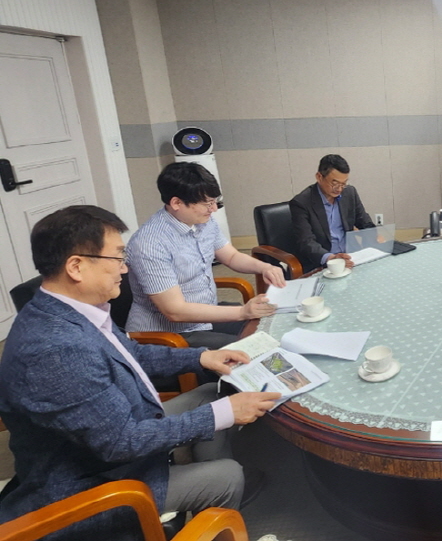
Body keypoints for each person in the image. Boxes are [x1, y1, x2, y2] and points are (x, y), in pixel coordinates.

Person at [0, 205, 281, 539]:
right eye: (117, 257)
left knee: (211, 393)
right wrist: (224, 414)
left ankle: (198, 486)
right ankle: (210, 507)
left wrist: (203, 358)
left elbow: (130, 354)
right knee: (228, 474)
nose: (125, 267)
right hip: (93, 483)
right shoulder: (56, 349)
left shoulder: (69, 309)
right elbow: (122, 443)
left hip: (118, 432)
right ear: (76, 266)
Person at [126, 162, 286, 349]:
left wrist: (265, 267)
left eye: (215, 201)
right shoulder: (149, 244)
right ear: (176, 203)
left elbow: (231, 257)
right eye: (207, 204)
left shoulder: (203, 221)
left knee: (274, 324)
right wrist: (243, 312)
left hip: (205, 315)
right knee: (256, 348)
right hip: (171, 334)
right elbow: (175, 311)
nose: (214, 209)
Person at [289, 154, 376, 274]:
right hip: (322, 263)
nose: (339, 189)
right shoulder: (301, 203)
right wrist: (331, 258)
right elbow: (306, 242)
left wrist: (376, 235)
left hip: (350, 257)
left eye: (343, 184)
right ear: (319, 177)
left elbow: (364, 222)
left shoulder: (349, 193)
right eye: (334, 183)